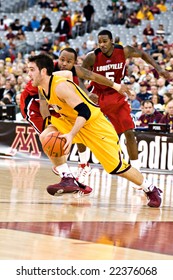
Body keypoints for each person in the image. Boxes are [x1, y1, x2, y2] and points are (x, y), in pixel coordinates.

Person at [26, 54, 163, 208]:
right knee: (47, 135)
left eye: (32, 70)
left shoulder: (60, 87)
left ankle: (150, 188)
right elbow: (68, 73)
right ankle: (68, 177)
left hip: (94, 125)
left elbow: (85, 112)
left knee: (118, 168)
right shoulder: (44, 85)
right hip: (71, 121)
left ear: (43, 71)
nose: (28, 73)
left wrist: (71, 135)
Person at [21, 50, 130, 183]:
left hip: (57, 102)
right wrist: (49, 125)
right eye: (62, 60)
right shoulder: (48, 71)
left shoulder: (70, 73)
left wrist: (116, 86)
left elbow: (93, 76)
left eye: (69, 62)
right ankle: (65, 170)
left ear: (74, 63)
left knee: (77, 121)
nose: (64, 64)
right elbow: (43, 107)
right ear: (57, 59)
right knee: (50, 138)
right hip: (33, 105)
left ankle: (82, 165)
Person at [81, 29, 170, 171]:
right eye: (99, 42)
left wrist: (159, 69)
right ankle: (83, 165)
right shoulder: (92, 57)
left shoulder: (124, 51)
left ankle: (136, 170)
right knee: (82, 127)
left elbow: (142, 54)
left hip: (117, 94)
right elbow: (79, 76)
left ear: (112, 41)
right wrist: (86, 93)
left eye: (105, 41)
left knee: (129, 132)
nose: (102, 45)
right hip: (98, 95)